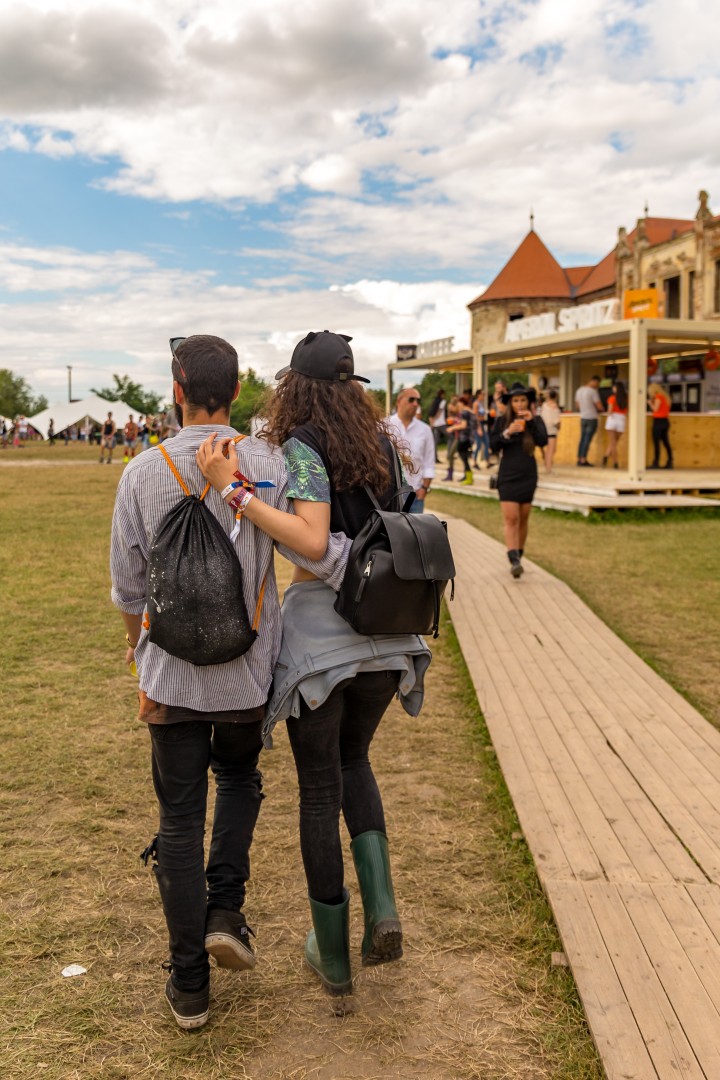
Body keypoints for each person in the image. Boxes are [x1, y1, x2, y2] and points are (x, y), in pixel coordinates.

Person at [110, 334, 348, 1029]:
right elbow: (304, 551)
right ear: (237, 387)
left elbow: (129, 589)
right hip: (246, 669)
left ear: (176, 386)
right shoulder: (269, 460)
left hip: (171, 673)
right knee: (240, 781)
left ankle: (189, 985)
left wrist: (139, 661)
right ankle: (225, 910)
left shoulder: (140, 472)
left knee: (179, 817)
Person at [196, 331, 431, 1001]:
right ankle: (382, 910)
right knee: (356, 764)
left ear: (292, 386)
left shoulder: (303, 442)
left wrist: (234, 492)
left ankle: (331, 956)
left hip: (324, 642)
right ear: (353, 386)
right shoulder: (382, 442)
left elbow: (309, 536)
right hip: (389, 636)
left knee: (320, 790)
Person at [489, 382, 548, 579]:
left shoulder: (536, 420)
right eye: (516, 400)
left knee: (523, 518)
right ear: (510, 403)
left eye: (523, 400)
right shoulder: (501, 422)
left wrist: (530, 422)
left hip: (528, 474)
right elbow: (493, 444)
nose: (520, 404)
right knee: (511, 518)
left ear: (528, 402)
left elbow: (543, 441)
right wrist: (508, 432)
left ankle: (519, 555)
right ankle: (513, 558)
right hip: (508, 475)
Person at [386, 387, 435, 512]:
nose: (415, 404)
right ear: (399, 401)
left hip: (415, 494)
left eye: (418, 400)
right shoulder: (385, 426)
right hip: (390, 495)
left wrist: (424, 488)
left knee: (415, 531)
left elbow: (429, 462)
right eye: (411, 399)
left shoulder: (425, 430)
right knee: (391, 531)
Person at [575, 375, 603, 466]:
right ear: (595, 381)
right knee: (587, 439)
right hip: (591, 418)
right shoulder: (593, 392)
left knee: (582, 438)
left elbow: (577, 406)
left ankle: (579, 458)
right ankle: (583, 459)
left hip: (583, 417)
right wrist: (602, 409)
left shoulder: (579, 390)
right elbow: (599, 406)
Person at [603, 380, 628, 469]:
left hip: (612, 419)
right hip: (621, 419)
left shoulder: (612, 398)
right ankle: (605, 456)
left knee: (612, 443)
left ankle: (615, 462)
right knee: (614, 442)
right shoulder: (626, 398)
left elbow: (609, 411)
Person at [648, 385, 673, 469]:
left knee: (656, 443)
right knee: (666, 443)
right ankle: (670, 461)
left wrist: (650, 403)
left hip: (658, 422)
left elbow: (655, 409)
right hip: (665, 421)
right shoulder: (666, 398)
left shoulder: (658, 397)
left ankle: (656, 463)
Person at [539, 389, 561, 473]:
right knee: (551, 450)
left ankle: (547, 465)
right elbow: (556, 421)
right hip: (552, 430)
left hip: (544, 429)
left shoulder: (544, 405)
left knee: (549, 450)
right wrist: (559, 427)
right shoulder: (555, 407)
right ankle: (548, 468)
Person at [427, 388, 447, 463]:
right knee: (452, 435)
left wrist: (432, 422)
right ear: (442, 394)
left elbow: (431, 412)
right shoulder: (443, 401)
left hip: (434, 424)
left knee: (435, 442)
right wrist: (434, 420)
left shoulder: (434, 401)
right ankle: (450, 455)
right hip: (441, 423)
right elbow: (439, 412)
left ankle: (434, 458)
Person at [472, 389, 490, 468]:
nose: (484, 396)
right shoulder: (476, 404)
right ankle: (474, 462)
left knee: (487, 443)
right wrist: (478, 428)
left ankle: (487, 462)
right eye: (483, 394)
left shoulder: (480, 403)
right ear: (478, 395)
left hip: (482, 425)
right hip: (478, 425)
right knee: (479, 444)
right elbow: (475, 417)